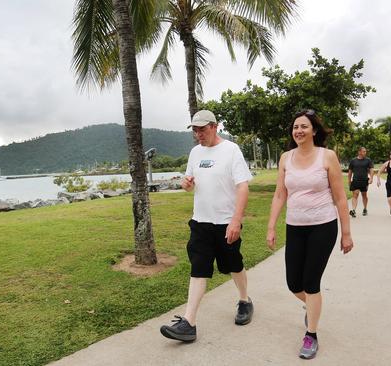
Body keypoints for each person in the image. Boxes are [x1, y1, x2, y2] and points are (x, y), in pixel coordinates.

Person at [160, 110, 254, 342]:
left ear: (215, 126)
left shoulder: (231, 150)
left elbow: (243, 187)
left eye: (202, 129)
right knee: (198, 268)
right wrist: (186, 184)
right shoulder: (195, 153)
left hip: (225, 222)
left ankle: (245, 300)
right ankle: (188, 323)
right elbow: (189, 183)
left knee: (233, 265)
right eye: (195, 130)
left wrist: (236, 220)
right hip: (201, 222)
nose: (198, 134)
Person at [266, 109, 354, 360]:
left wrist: (346, 233)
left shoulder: (327, 157)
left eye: (304, 126)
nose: (299, 131)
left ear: (314, 130)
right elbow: (280, 194)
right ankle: (312, 307)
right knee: (294, 283)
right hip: (295, 226)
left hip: (323, 226)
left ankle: (311, 334)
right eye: (295, 127)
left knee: (311, 282)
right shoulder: (285, 158)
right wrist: (271, 226)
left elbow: (339, 197)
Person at [347, 147, 374, 217]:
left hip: (364, 181)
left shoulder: (368, 160)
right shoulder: (353, 161)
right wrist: (349, 180)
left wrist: (371, 178)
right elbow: (350, 172)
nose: (365, 153)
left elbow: (371, 170)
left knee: (364, 195)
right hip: (355, 180)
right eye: (363, 151)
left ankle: (365, 208)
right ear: (359, 152)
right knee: (355, 194)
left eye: (365, 151)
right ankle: (353, 210)